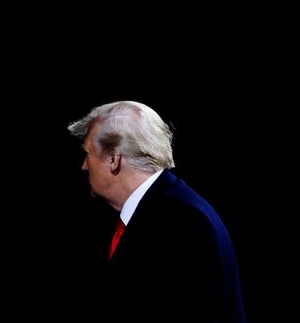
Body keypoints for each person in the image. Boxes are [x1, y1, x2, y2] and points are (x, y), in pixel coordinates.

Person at [67, 100, 245, 323]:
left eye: (88, 153)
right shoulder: (161, 210)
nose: (84, 166)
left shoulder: (186, 222)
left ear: (114, 159)